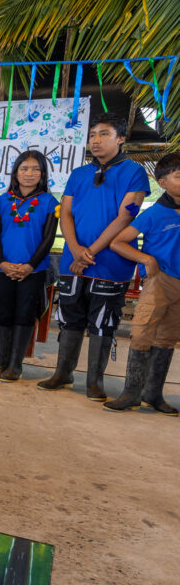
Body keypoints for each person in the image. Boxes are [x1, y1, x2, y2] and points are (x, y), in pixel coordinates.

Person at [38, 112, 150, 400]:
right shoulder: (79, 174)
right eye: (92, 135)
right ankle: (63, 372)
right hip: (73, 261)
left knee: (103, 321)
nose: (96, 141)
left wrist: (89, 252)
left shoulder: (134, 172)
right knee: (69, 317)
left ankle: (94, 381)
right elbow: (65, 212)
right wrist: (75, 250)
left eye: (104, 134)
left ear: (121, 138)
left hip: (110, 263)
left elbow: (125, 218)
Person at [104, 153, 180, 415]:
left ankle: (153, 394)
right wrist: (146, 259)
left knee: (168, 338)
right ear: (162, 182)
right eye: (179, 176)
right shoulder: (155, 213)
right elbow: (118, 242)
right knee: (142, 333)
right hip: (160, 280)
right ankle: (131, 393)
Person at [0, 151, 59, 382]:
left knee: (24, 315)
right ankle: (1, 362)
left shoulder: (49, 202)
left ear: (43, 174)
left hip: (33, 271)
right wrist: (2, 263)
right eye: (24, 169)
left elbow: (48, 239)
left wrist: (29, 266)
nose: (29, 173)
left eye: (35, 169)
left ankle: (15, 366)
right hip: (2, 270)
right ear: (15, 173)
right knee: (3, 314)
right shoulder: (1, 201)